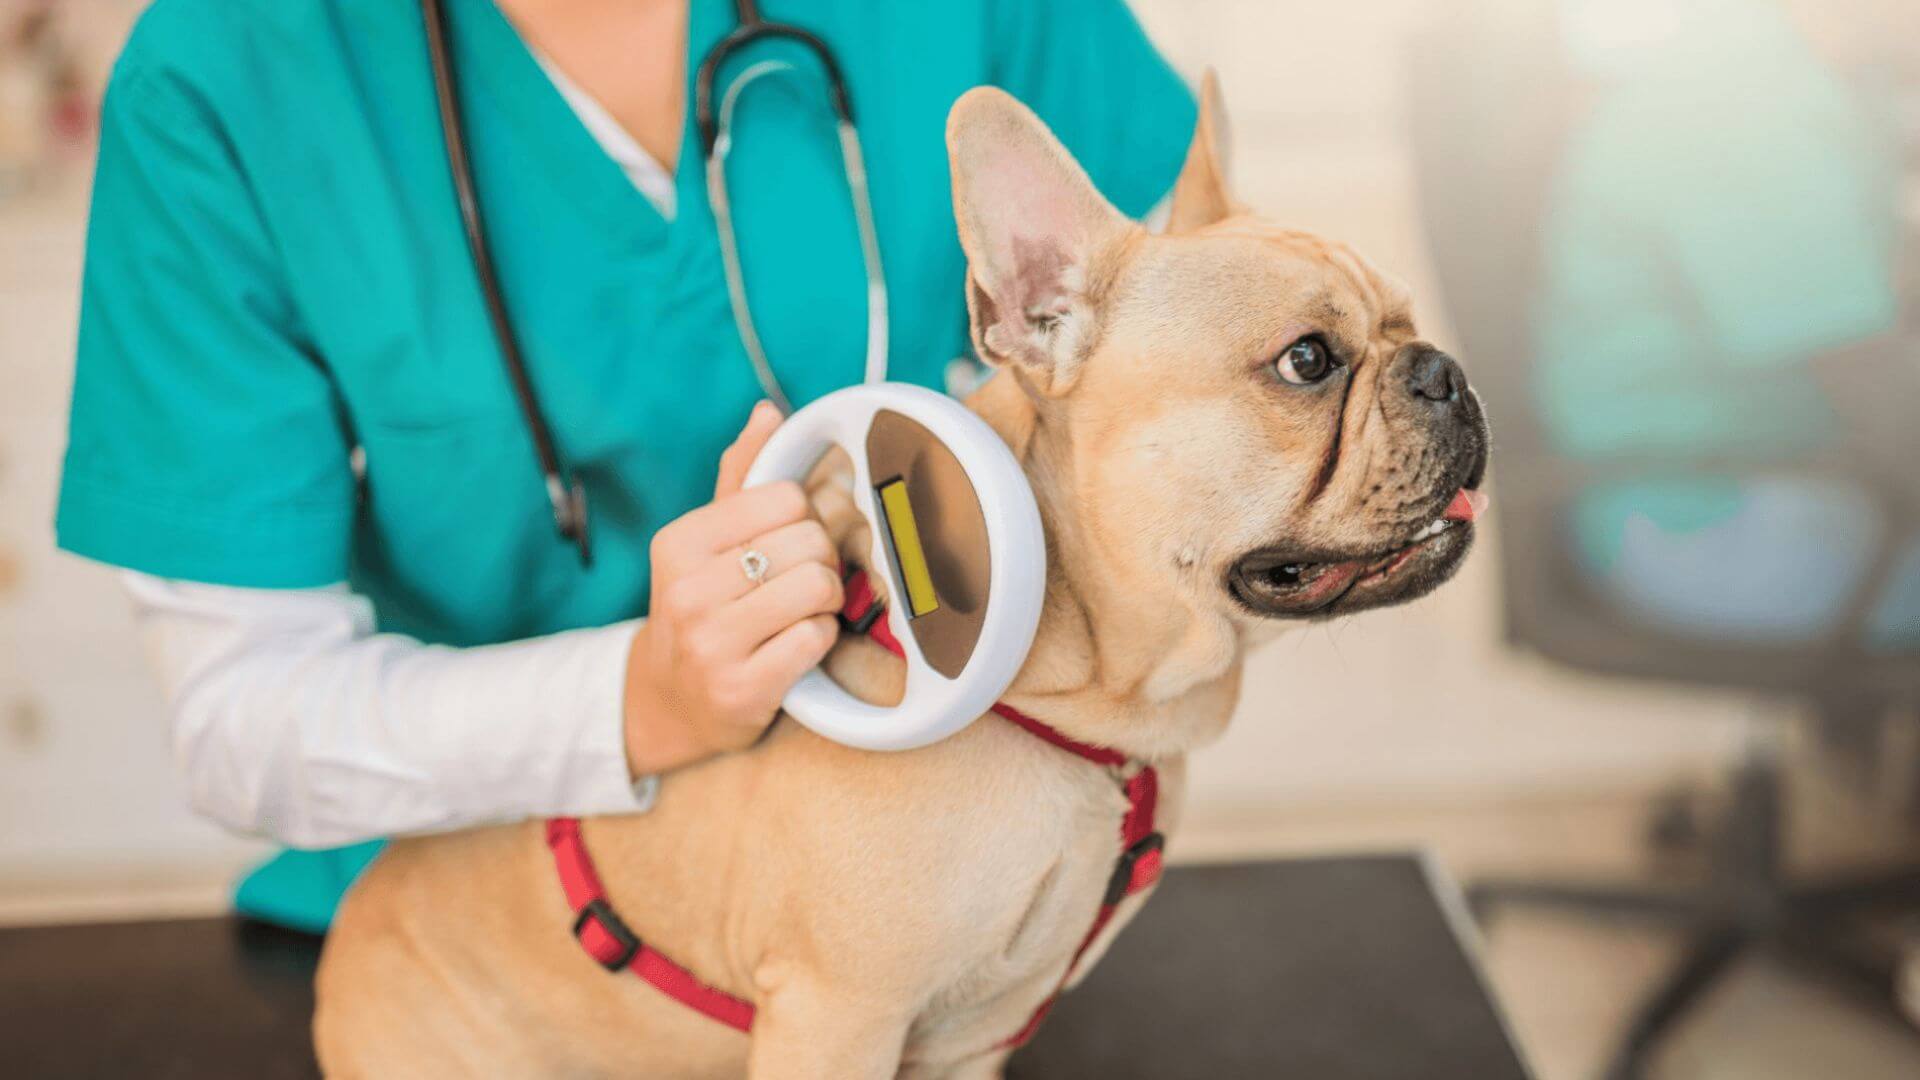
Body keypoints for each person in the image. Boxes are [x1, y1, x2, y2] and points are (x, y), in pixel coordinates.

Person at [56, 0, 1195, 932]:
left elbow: (1197, 365)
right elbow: (243, 724)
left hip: (943, 881)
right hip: (477, 937)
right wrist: (644, 699)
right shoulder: (227, 77)